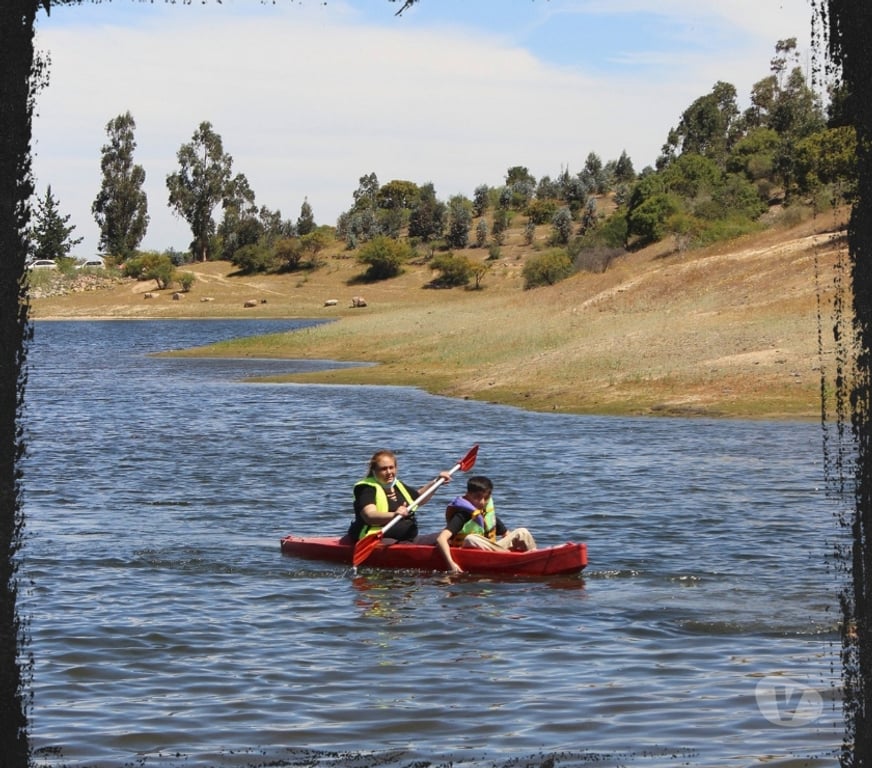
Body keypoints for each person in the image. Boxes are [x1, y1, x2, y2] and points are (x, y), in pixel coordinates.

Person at [347, 449, 453, 544]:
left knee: (447, 537)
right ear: (374, 471)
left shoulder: (398, 485)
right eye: (383, 469)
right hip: (376, 538)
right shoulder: (366, 488)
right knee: (406, 546)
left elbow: (419, 498)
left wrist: (436, 482)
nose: (389, 472)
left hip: (408, 538)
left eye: (391, 468)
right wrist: (394, 515)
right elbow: (369, 516)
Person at [435, 475, 536, 574]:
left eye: (486, 497)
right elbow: (441, 538)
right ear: (468, 495)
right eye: (477, 497)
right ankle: (513, 558)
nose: (482, 502)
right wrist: (451, 563)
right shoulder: (463, 514)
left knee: (522, 532)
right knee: (471, 539)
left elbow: (507, 535)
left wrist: (518, 546)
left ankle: (536, 557)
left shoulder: (487, 514)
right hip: (468, 552)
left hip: (494, 551)